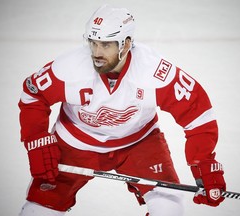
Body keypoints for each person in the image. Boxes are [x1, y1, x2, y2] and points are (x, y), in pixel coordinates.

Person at [18, 4, 226, 216]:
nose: (97, 53)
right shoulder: (68, 68)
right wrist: (36, 139)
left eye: (106, 45)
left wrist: (204, 163)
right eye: (93, 43)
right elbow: (33, 95)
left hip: (139, 143)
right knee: (39, 210)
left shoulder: (153, 72)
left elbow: (198, 115)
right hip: (75, 144)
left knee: (169, 207)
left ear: (126, 45)